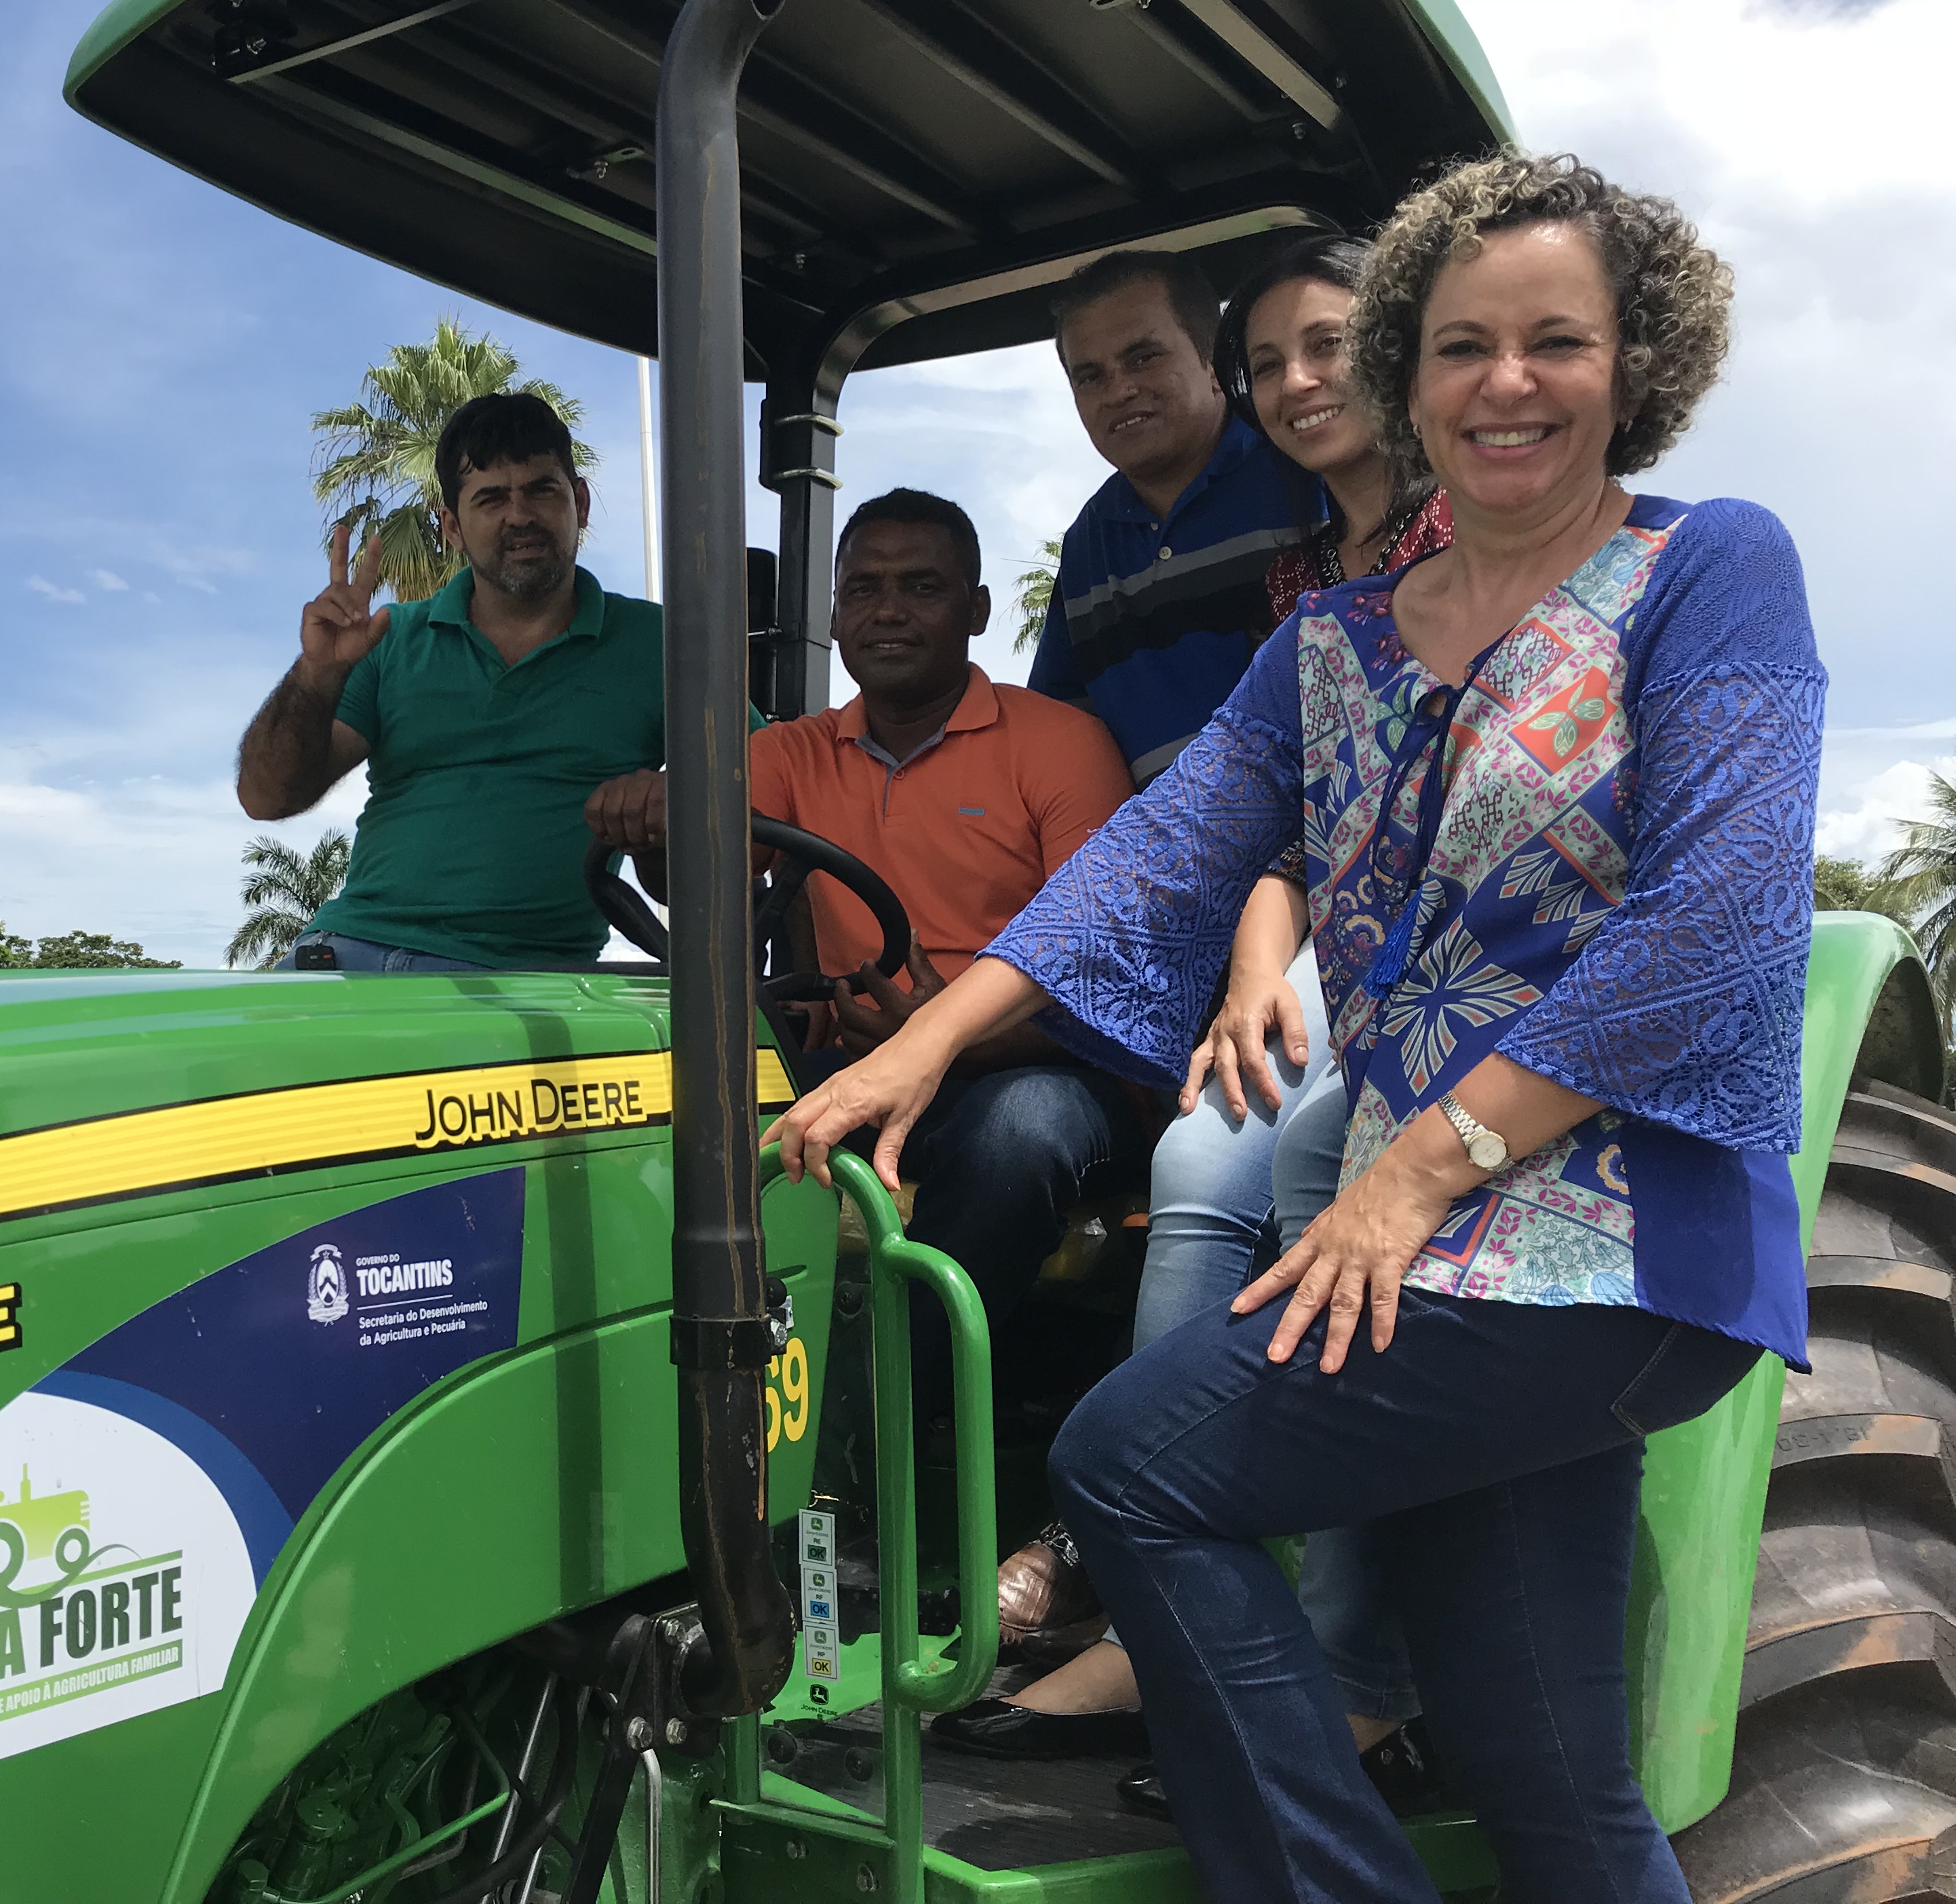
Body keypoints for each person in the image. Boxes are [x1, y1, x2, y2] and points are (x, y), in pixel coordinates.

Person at [773, 153, 1807, 1903]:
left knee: (1127, 1460)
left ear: (1640, 367)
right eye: (1462, 343)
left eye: (1558, 340)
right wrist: (916, 1048)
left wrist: (1411, 1167)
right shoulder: (1330, 643)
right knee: (1549, 1777)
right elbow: (1158, 857)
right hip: (1426, 1263)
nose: (1506, 382)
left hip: (1612, 1254)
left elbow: (1713, 926)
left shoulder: (1707, 569)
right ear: (1408, 374)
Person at [967, 239, 1458, 1778]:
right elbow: (1273, 794)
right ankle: (1142, 1597)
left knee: (1293, 1168)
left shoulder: (1456, 518)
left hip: (1436, 930)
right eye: (1276, 362)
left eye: (1323, 352)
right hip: (1251, 907)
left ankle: (1330, 1658)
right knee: (1162, 1155)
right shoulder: (1303, 565)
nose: (1298, 386)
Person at [584, 489, 1137, 1373]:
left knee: (1021, 1136)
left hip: (1031, 1066)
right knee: (654, 1105)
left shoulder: (1058, 744)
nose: (886, 610)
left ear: (977, 609)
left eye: (921, 587)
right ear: (835, 611)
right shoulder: (790, 755)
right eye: (863, 588)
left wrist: (957, 1033)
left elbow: (1112, 976)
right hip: (852, 1065)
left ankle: (890, 1426)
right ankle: (681, 1387)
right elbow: (700, 876)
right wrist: (657, 822)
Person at [235, 392, 660, 974]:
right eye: (491, 498)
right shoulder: (391, 637)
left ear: (579, 503)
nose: (520, 516)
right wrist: (315, 675)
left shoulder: (661, 644)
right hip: (344, 954)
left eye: (542, 490)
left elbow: (767, 780)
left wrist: (674, 800)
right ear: (453, 528)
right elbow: (266, 799)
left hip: (526, 985)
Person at [1022, 248, 1318, 788]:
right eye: (1090, 376)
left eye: (1143, 358)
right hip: (1162, 860)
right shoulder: (1090, 545)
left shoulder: (1305, 470)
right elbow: (1056, 733)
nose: (1119, 390)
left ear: (1214, 359)